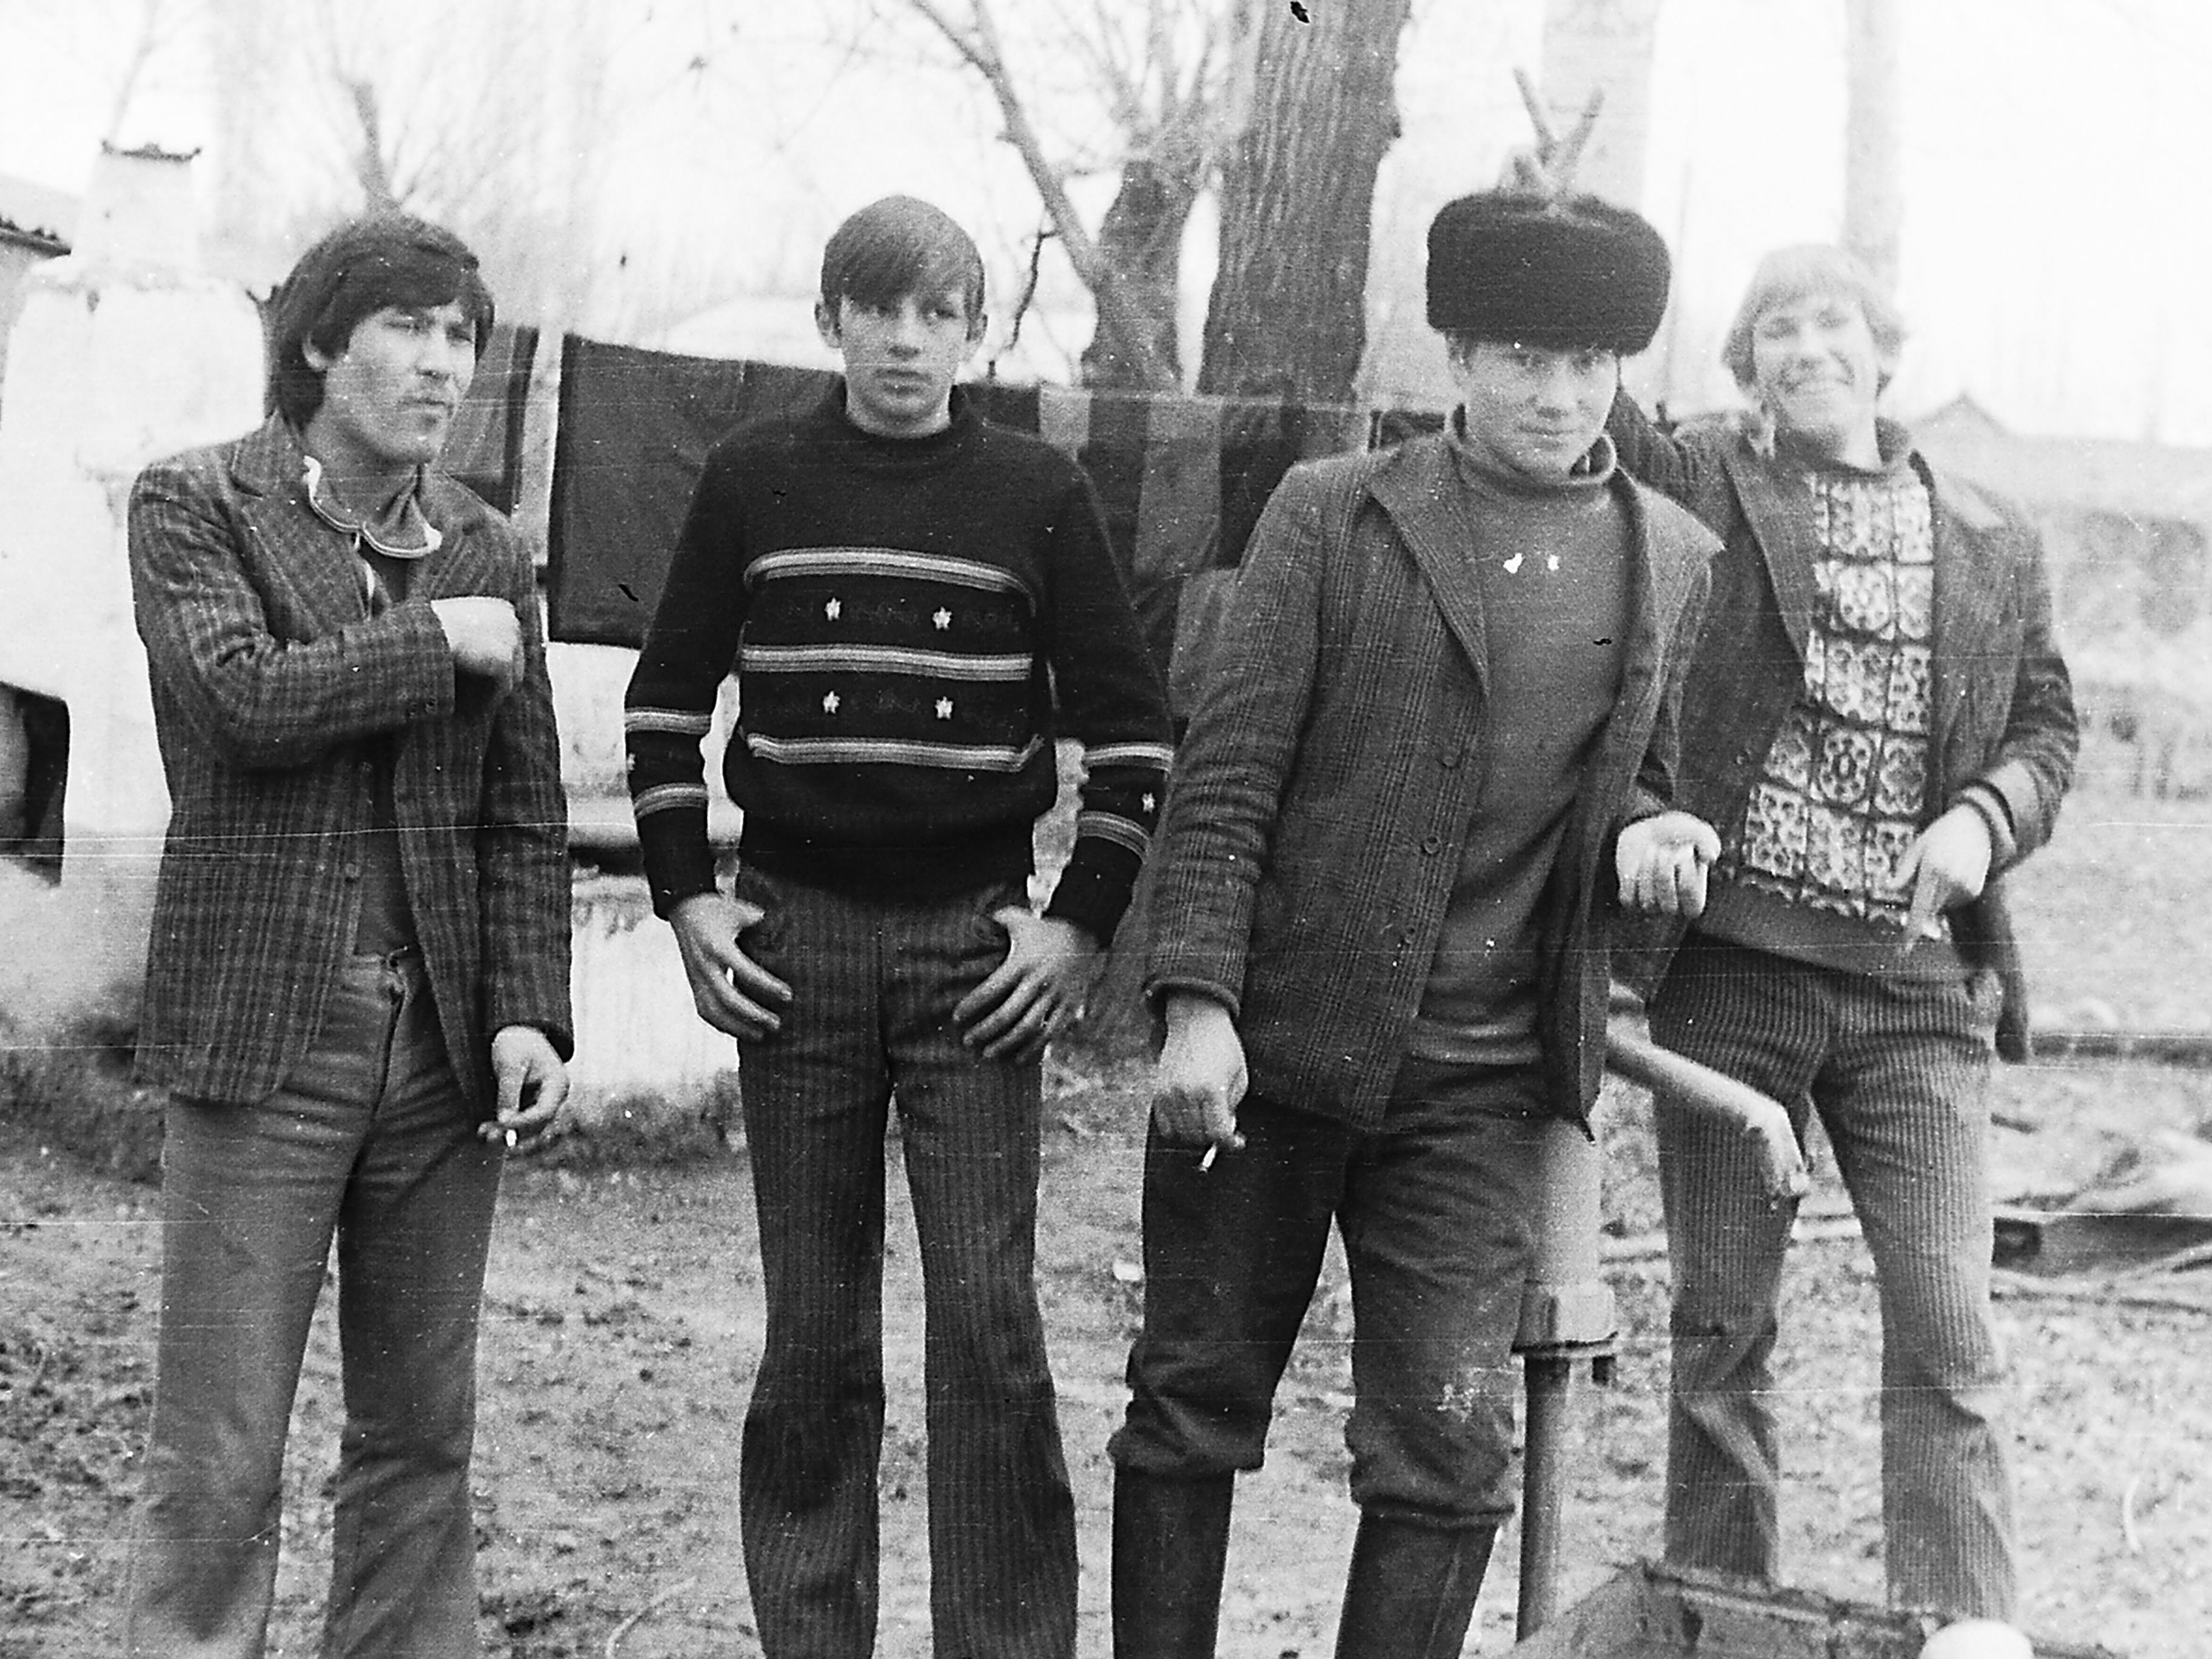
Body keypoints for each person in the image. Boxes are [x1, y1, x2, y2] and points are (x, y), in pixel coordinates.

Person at [1108, 185, 1723, 1659]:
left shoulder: (1670, 557)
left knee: (1449, 1458)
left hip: (1482, 1089)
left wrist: (1652, 832)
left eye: (1589, 362)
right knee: (1191, 1407)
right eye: (1522, 356)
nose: (1557, 395)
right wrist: (1197, 1005)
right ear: (1456, 355)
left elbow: (1639, 776)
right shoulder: (1335, 511)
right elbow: (1228, 772)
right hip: (1274, 1056)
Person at [623, 194, 1173, 1659]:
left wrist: (1076, 928)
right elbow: (665, 709)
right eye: (880, 309)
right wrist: (687, 897)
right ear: (832, 323)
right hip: (791, 950)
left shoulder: (1039, 489)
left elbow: (1133, 740)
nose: (908, 341)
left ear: (977, 333)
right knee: (814, 1333)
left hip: (973, 958)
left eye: (940, 313)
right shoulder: (752, 477)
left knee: (988, 1326)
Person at [1606, 245, 2079, 1632]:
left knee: (1948, 1330)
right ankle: (1727, 1622)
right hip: (1732, 983)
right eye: (1777, 331)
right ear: (1747, 364)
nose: (1807, 349)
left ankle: (1964, 1630)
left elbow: (2048, 728)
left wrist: (1985, 818)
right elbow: (1607, 420)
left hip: (1917, 996)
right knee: (1722, 1335)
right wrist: (1565, 229)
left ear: (1883, 349)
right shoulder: (1708, 481)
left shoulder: (1989, 530)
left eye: (1832, 324)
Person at [122, 213, 574, 1657]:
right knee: (221, 1446)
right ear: (321, 340)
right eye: (409, 327)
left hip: (440, 1047)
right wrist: (434, 641)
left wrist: (526, 1008)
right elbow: (243, 699)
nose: (444, 365)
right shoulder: (197, 502)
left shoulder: (489, 547)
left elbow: (524, 813)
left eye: (462, 338)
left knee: (421, 1434)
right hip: (267, 1034)